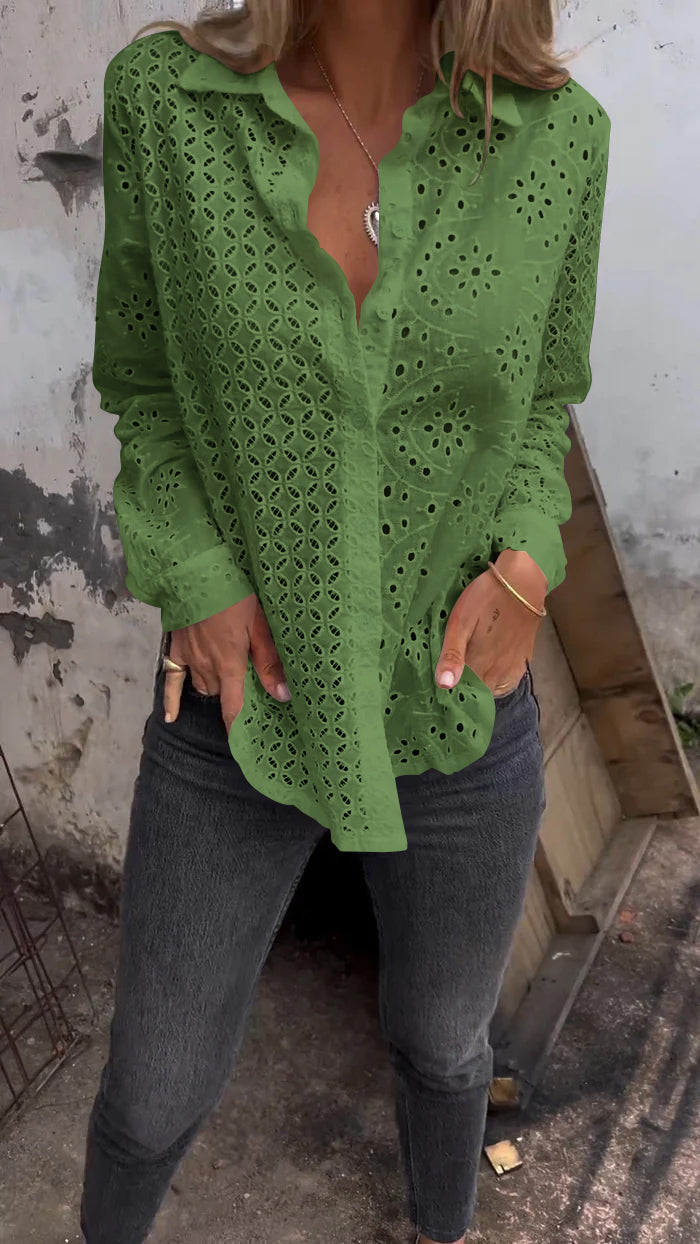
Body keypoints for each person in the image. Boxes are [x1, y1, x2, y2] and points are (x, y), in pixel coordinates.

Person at [81, 1, 611, 1241]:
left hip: (455, 698)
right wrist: (195, 573)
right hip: (235, 704)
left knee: (443, 1040)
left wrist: (527, 566)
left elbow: (544, 402)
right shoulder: (168, 103)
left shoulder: (559, 138)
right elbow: (144, 383)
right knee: (153, 1084)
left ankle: (441, 1224)